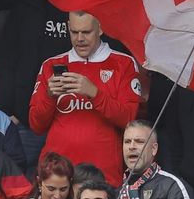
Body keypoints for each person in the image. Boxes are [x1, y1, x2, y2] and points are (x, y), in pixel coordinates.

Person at [27, 11, 142, 177]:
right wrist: (49, 96)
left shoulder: (123, 63)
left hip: (103, 176)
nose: (79, 39)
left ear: (101, 28)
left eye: (86, 32)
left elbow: (129, 120)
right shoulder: (51, 65)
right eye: (74, 32)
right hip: (57, 178)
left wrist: (94, 93)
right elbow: (36, 126)